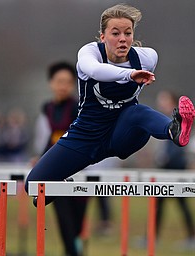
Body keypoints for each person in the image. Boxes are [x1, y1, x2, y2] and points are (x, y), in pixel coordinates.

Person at [25, 3, 195, 209]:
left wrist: (132, 72)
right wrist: (129, 74)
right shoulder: (89, 53)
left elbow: (134, 103)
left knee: (137, 111)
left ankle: (173, 129)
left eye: (128, 33)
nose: (122, 39)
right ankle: (60, 181)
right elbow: (96, 71)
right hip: (86, 135)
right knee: (32, 185)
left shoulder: (147, 58)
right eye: (115, 33)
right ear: (103, 36)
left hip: (123, 135)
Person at [33, 62, 87, 256]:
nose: (63, 86)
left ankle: (76, 249)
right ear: (51, 83)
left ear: (74, 85)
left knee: (77, 225)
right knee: (64, 223)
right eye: (59, 81)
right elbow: (52, 137)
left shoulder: (79, 107)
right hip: (57, 169)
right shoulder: (47, 107)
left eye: (68, 82)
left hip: (79, 167)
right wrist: (41, 159)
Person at [154, 90, 195, 251]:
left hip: (175, 168)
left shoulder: (179, 120)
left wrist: (166, 158)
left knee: (181, 203)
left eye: (163, 100)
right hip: (167, 169)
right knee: (159, 204)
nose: (160, 103)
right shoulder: (163, 120)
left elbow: (181, 145)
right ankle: (152, 236)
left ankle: (191, 237)